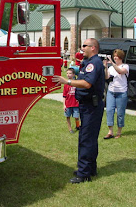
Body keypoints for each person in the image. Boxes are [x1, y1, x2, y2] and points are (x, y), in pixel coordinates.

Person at [52, 38, 105, 183]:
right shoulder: (87, 62)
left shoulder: (94, 63)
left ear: (93, 48)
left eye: (84, 46)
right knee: (89, 138)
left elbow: (87, 84)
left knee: (86, 139)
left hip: (91, 106)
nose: (82, 48)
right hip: (87, 105)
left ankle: (83, 174)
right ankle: (90, 169)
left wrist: (67, 81)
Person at [103, 49, 129, 139]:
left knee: (120, 113)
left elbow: (120, 71)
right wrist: (106, 67)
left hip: (121, 92)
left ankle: (119, 132)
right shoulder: (111, 68)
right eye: (114, 58)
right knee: (109, 110)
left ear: (120, 57)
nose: (115, 59)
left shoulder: (125, 66)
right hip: (111, 91)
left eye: (116, 57)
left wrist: (112, 63)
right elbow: (106, 77)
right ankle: (110, 131)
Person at [63, 68, 80, 134]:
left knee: (76, 116)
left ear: (73, 74)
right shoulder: (66, 84)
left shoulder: (76, 83)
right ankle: (70, 129)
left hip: (75, 103)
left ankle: (78, 126)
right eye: (67, 73)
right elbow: (64, 96)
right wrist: (64, 105)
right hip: (68, 104)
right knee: (68, 116)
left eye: (70, 73)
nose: (68, 75)